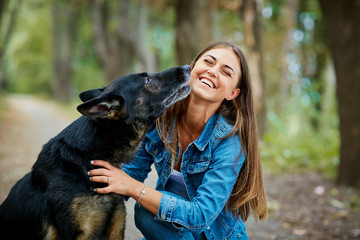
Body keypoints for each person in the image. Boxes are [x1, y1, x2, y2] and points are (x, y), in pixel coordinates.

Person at [88, 41, 268, 239]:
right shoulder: (160, 120)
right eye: (209, 61)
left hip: (213, 236)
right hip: (171, 233)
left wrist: (133, 187)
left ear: (232, 93)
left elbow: (199, 216)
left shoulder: (229, 142)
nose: (213, 71)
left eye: (226, 72)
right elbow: (128, 174)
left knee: (147, 212)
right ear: (192, 68)